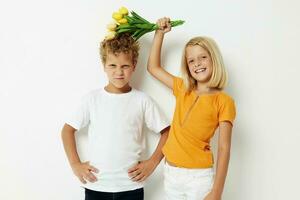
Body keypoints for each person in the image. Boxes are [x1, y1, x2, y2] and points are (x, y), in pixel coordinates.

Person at [61, 33, 169, 200]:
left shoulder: (142, 100)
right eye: (112, 65)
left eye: (125, 66)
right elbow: (67, 130)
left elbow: (167, 132)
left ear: (134, 65)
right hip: (96, 184)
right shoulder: (92, 99)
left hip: (131, 186)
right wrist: (75, 164)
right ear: (104, 65)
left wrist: (152, 162)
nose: (119, 72)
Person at [147, 17, 236, 200]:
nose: (197, 64)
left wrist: (216, 192)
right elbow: (153, 68)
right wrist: (159, 34)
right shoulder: (182, 89)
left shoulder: (223, 101)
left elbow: (224, 148)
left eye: (203, 57)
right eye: (191, 60)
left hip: (199, 178)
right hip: (171, 173)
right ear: (187, 66)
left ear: (214, 59)